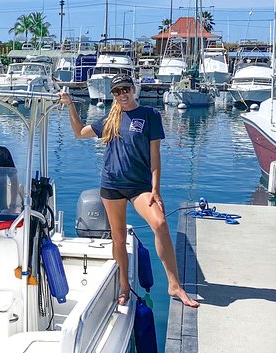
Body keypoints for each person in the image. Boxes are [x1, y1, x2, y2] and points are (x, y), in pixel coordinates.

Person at [59, 74, 199, 308]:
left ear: (133, 89)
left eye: (125, 89)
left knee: (160, 224)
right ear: (113, 95)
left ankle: (174, 285)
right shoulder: (110, 119)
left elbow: (155, 156)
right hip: (112, 185)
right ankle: (124, 287)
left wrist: (156, 189)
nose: (122, 94)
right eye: (117, 91)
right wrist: (70, 105)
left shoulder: (150, 116)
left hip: (140, 187)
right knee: (118, 238)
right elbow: (79, 133)